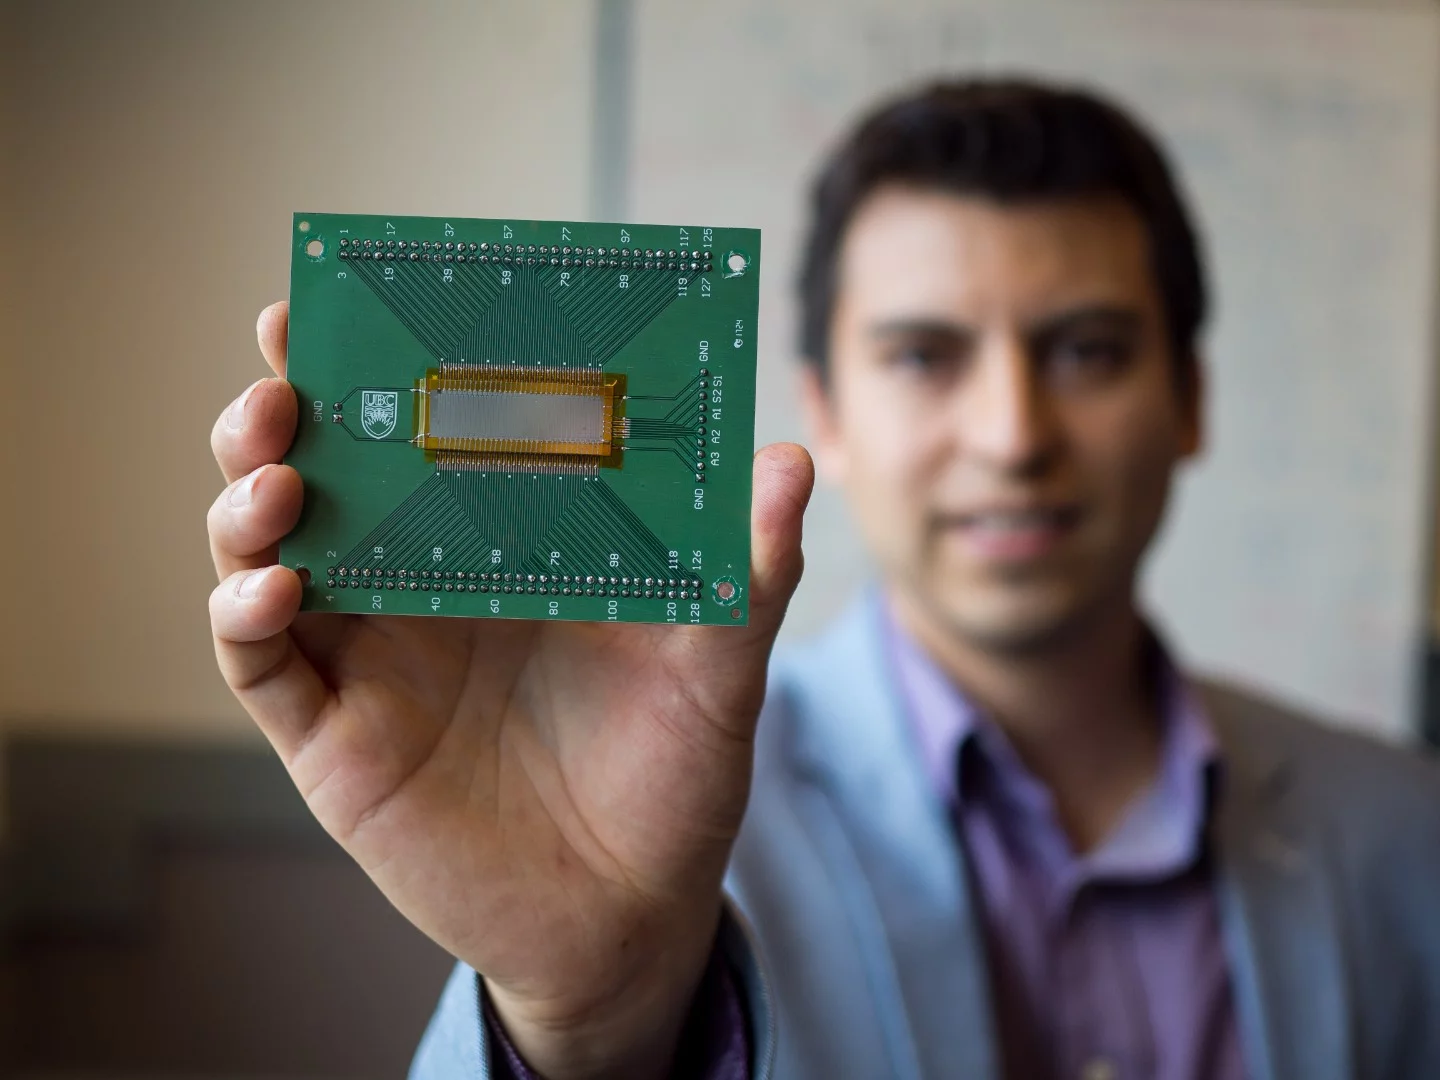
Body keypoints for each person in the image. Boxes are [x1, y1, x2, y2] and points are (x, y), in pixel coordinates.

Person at [206, 79, 1440, 1080]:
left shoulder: (1404, 834)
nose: (1013, 433)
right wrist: (585, 1020)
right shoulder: (634, 817)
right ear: (822, 419)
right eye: (924, 355)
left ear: (1191, 401)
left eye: (1088, 350)